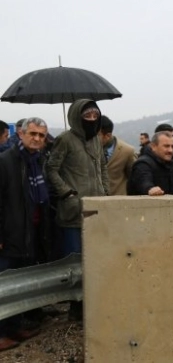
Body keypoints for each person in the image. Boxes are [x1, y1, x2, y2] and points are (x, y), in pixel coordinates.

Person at [46, 99, 109, 321]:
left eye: (95, 115)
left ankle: (93, 303)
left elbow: (102, 165)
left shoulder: (96, 140)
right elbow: (51, 169)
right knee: (74, 261)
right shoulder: (65, 140)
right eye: (87, 116)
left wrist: (105, 191)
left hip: (96, 208)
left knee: (95, 258)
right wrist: (67, 193)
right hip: (73, 212)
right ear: (76, 116)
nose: (92, 119)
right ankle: (75, 307)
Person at [0, 117, 52, 350]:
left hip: (30, 232)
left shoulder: (38, 161)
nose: (37, 138)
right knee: (4, 284)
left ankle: (15, 327)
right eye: (32, 133)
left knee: (21, 284)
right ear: (20, 134)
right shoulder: (5, 161)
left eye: (41, 135)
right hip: (9, 234)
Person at [127, 131, 173, 196]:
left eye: (172, 147)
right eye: (166, 146)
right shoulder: (143, 164)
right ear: (153, 146)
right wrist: (150, 189)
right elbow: (143, 181)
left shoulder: (172, 165)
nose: (170, 150)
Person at [99, 116, 136, 195]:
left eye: (96, 135)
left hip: (118, 201)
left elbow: (134, 179)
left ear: (107, 136)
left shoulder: (127, 151)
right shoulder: (86, 150)